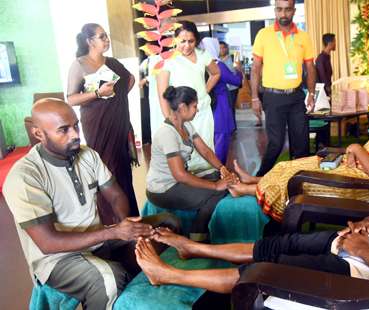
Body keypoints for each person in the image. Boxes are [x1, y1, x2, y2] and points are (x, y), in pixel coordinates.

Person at [134, 115, 369, 299]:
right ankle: (193, 247)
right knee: (273, 246)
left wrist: (361, 248)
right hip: (356, 246)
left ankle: (168, 275)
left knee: (262, 271)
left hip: (360, 273)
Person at [4, 99, 180, 309]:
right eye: (64, 130)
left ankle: (135, 293)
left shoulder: (87, 155)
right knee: (109, 281)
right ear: (38, 134)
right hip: (57, 258)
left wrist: (126, 226)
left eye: (76, 125)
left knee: (167, 223)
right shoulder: (25, 176)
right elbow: (48, 243)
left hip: (97, 239)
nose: (76, 134)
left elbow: (115, 196)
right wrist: (115, 233)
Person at [229, 76, 369, 221]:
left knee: (295, 174)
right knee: (291, 164)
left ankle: (247, 189)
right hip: (363, 172)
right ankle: (252, 180)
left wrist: (356, 148)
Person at [66, 23, 139, 224]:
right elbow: (71, 99)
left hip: (119, 123)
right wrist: (98, 94)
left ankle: (130, 216)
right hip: (96, 124)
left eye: (107, 36)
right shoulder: (79, 64)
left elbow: (130, 80)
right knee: (106, 169)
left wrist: (116, 99)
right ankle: (111, 220)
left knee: (122, 169)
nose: (107, 40)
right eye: (102, 37)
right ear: (90, 41)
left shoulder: (113, 62)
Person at [146, 86, 239, 242]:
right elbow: (180, 175)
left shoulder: (186, 126)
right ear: (183, 107)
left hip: (176, 182)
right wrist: (216, 186)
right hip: (163, 190)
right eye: (194, 106)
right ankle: (197, 237)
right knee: (217, 193)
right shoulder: (167, 134)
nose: (196, 110)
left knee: (218, 177)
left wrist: (223, 170)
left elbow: (206, 151)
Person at [251, 0, 316, 176]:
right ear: (275, 11)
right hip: (273, 98)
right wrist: (255, 97)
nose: (283, 14)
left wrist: (311, 93)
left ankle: (300, 182)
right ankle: (259, 178)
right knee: (276, 143)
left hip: (296, 97)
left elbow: (310, 67)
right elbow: (256, 68)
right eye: (279, 10)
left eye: (287, 10)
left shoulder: (303, 36)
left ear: (294, 11)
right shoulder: (263, 35)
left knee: (301, 142)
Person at [157, 21, 221, 177]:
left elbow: (216, 73)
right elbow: (162, 94)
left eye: (191, 41)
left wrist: (204, 91)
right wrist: (171, 121)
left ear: (197, 40)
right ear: (175, 39)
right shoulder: (167, 60)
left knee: (206, 146)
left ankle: (210, 179)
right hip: (182, 115)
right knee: (186, 150)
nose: (187, 45)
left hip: (203, 111)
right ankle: (191, 181)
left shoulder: (203, 55)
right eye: (182, 41)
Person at [201, 38, 244, 165]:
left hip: (206, 104)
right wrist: (239, 71)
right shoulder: (217, 65)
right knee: (221, 137)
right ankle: (219, 169)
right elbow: (236, 81)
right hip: (220, 104)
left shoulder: (199, 63)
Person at [219, 40, 240, 130]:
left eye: (224, 47)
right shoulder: (215, 59)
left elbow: (237, 70)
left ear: (227, 48)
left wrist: (239, 69)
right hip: (222, 88)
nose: (222, 50)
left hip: (232, 87)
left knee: (231, 107)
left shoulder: (233, 57)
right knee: (225, 107)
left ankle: (232, 127)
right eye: (220, 48)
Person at [316, 33, 336, 97]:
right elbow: (322, 77)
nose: (335, 44)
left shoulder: (327, 56)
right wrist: (329, 91)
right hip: (324, 94)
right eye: (334, 42)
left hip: (328, 91)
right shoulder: (321, 58)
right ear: (330, 43)